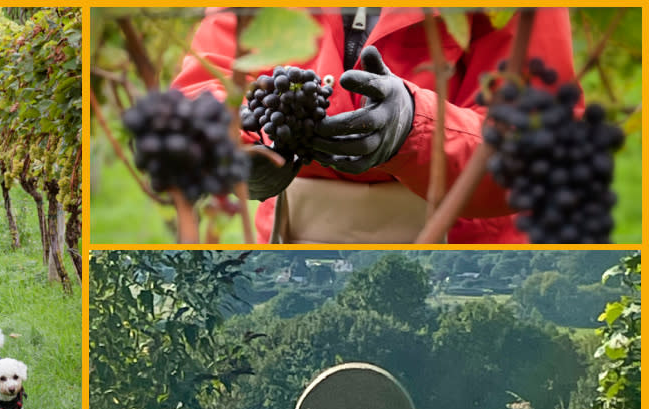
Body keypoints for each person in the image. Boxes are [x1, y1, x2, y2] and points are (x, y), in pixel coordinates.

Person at [172, 7, 578, 243]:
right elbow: (207, 79)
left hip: (454, 248)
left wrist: (417, 127)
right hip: (291, 244)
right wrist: (234, 141)